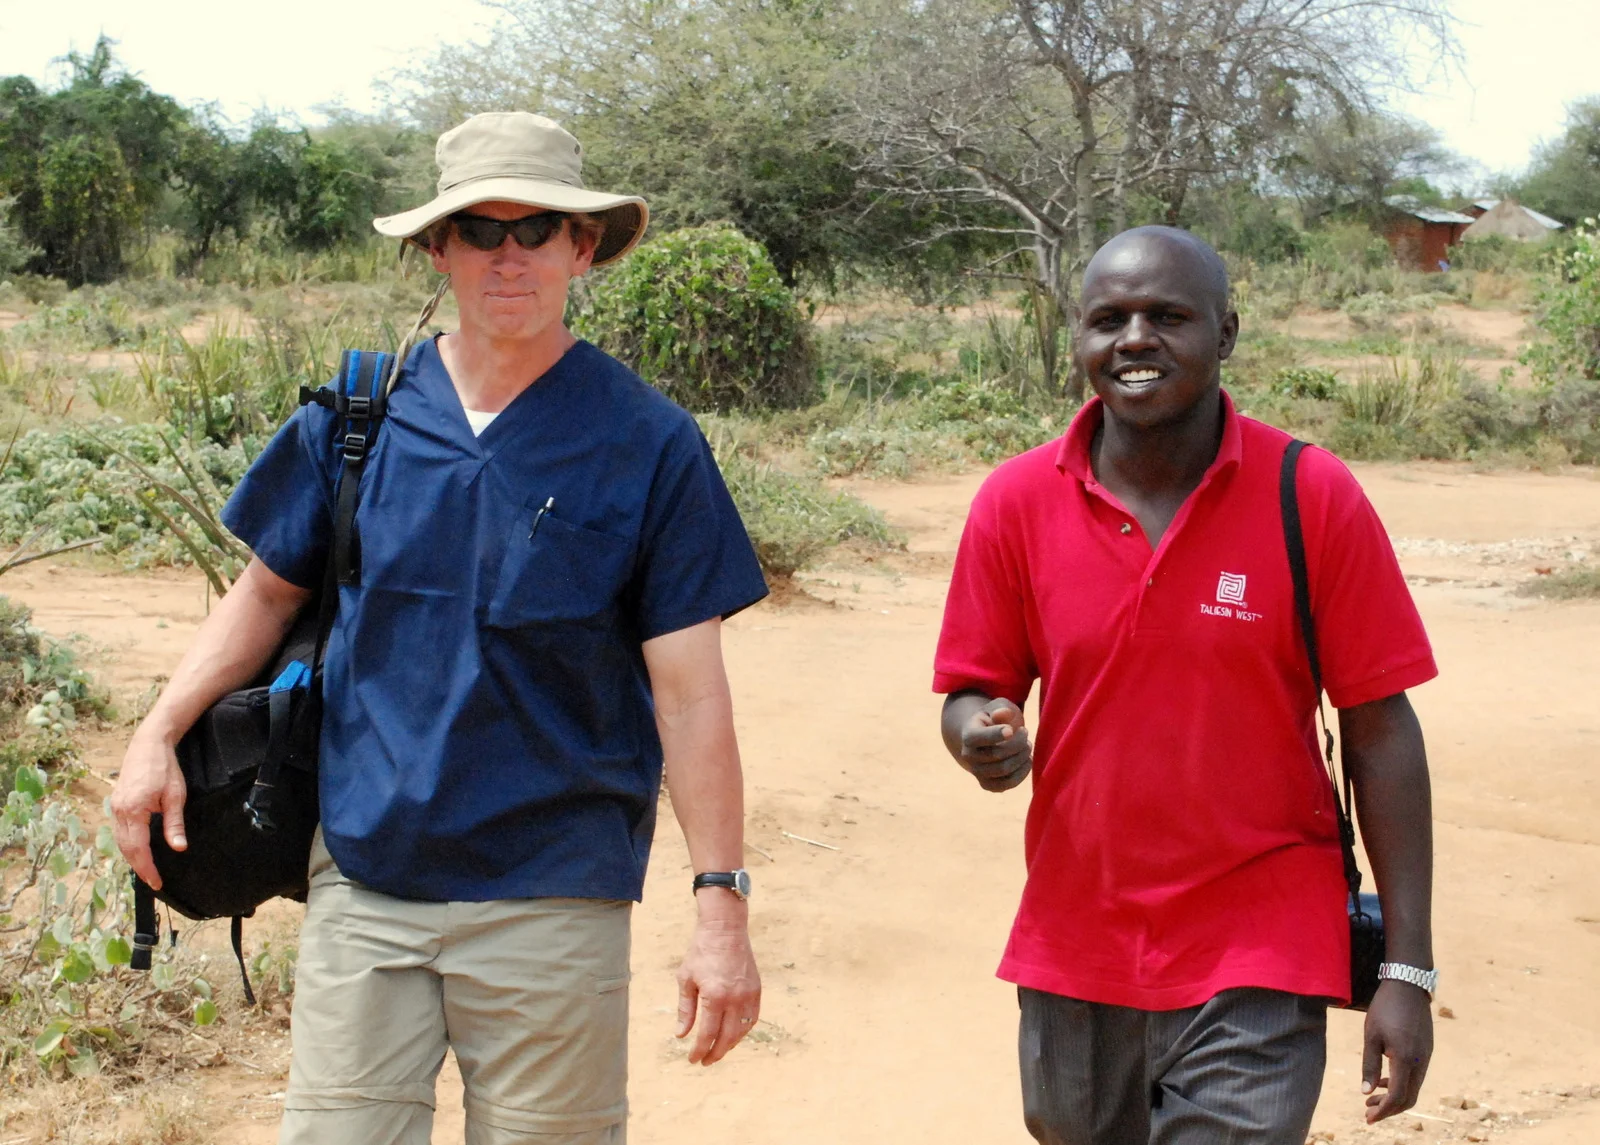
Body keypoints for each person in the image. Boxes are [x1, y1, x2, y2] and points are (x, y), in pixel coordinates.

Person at [110, 111, 769, 1145]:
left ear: (580, 245)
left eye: (536, 227)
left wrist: (720, 903)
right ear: (437, 245)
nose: (509, 254)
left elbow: (690, 694)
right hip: (368, 874)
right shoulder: (358, 414)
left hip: (554, 889)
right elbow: (264, 593)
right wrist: (156, 733)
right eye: (479, 228)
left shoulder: (649, 442)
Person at [933, 226, 1438, 1144]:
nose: (1134, 339)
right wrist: (979, 736)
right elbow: (973, 687)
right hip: (1076, 929)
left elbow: (1380, 728)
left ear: (1226, 332)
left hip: (1263, 933)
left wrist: (1408, 968)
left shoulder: (1310, 494)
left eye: (1167, 316)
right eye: (1108, 320)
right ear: (1078, 340)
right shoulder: (1015, 503)